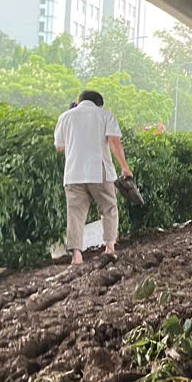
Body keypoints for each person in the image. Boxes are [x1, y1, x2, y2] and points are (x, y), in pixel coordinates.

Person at [54, 90, 132, 266]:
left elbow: (60, 147)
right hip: (100, 172)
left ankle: (76, 256)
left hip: (73, 173)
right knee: (109, 208)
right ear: (99, 104)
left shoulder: (65, 117)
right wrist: (125, 167)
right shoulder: (105, 115)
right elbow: (114, 142)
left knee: (75, 214)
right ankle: (110, 248)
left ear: (79, 101)